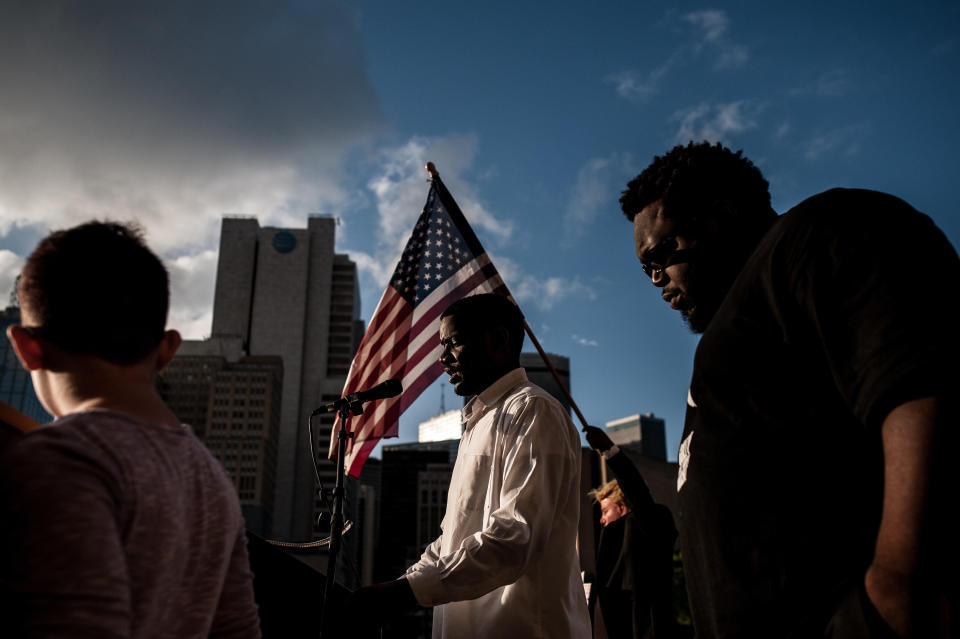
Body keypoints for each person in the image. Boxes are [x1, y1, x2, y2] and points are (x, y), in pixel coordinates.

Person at [620, 141, 958, 638]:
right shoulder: (733, 330)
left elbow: (921, 381)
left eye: (661, 255)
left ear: (721, 215)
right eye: (645, 270)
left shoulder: (819, 231)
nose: (655, 279)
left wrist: (896, 592)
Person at [0, 222, 261, 638]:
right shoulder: (212, 480)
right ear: (167, 350)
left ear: (27, 348)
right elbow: (239, 629)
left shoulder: (61, 458)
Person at [348, 293, 591, 638]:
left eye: (454, 342)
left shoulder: (534, 411)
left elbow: (515, 535)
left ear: (499, 340)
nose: (443, 358)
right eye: (441, 346)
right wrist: (404, 585)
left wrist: (406, 593)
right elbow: (452, 540)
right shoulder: (478, 424)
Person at [585, 425, 678, 639]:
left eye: (605, 510)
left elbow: (638, 493)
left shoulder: (649, 522)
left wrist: (610, 451)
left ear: (623, 505)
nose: (602, 519)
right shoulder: (614, 545)